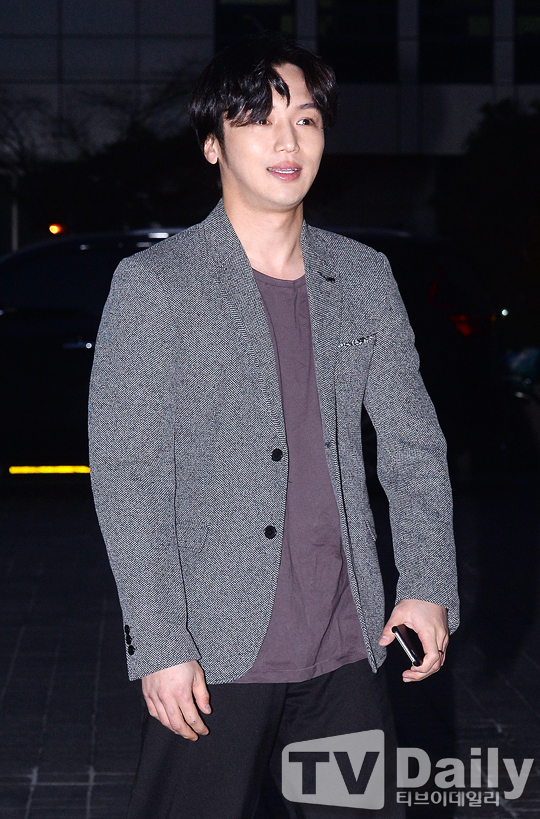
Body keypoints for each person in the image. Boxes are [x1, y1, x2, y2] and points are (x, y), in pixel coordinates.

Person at [88, 34, 459, 819]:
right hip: (214, 650)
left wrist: (427, 584)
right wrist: (161, 641)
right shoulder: (156, 286)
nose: (287, 141)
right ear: (212, 144)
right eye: (258, 119)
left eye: (306, 120)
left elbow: (414, 446)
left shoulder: (363, 276)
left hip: (346, 645)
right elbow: (129, 475)